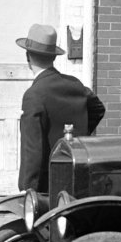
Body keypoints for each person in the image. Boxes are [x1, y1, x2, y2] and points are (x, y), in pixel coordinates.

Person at [16, 24, 105, 192]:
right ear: (53, 57)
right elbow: (98, 108)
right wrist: (81, 132)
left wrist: (27, 189)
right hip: (77, 174)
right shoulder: (75, 84)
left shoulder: (34, 95)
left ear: (28, 57)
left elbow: (32, 150)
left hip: (46, 184)